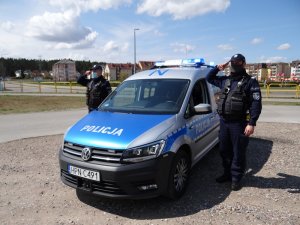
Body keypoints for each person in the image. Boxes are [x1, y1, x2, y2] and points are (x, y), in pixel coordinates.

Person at [206, 53, 262, 191]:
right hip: (224, 122)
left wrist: (252, 123)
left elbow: (256, 104)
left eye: (237, 62)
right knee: (224, 150)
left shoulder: (250, 82)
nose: (234, 64)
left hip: (239, 123)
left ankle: (236, 178)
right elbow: (209, 78)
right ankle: (227, 174)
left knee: (238, 151)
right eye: (232, 62)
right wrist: (218, 68)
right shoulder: (226, 80)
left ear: (243, 63)